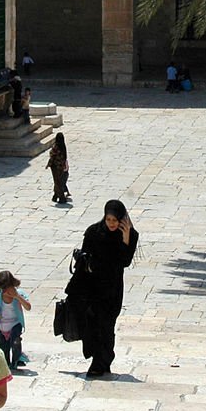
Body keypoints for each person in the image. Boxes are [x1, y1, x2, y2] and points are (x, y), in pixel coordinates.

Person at [66, 199, 138, 377]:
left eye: (115, 220)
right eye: (108, 220)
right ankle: (98, 361)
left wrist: (126, 238)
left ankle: (102, 362)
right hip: (92, 287)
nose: (111, 224)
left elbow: (125, 262)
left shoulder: (131, 235)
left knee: (106, 325)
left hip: (112, 289)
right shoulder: (94, 232)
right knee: (92, 324)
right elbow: (84, 257)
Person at [0, 271, 31, 370]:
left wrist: (17, 297)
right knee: (4, 349)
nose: (7, 291)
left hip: (15, 324)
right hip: (1, 326)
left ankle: (16, 361)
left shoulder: (19, 294)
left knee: (16, 342)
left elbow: (28, 307)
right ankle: (6, 364)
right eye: (4, 288)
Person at [46, 132, 70, 203]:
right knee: (58, 181)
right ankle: (55, 196)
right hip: (61, 166)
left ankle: (62, 198)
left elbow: (52, 154)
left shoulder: (56, 146)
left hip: (55, 166)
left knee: (57, 182)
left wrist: (49, 164)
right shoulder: (63, 146)